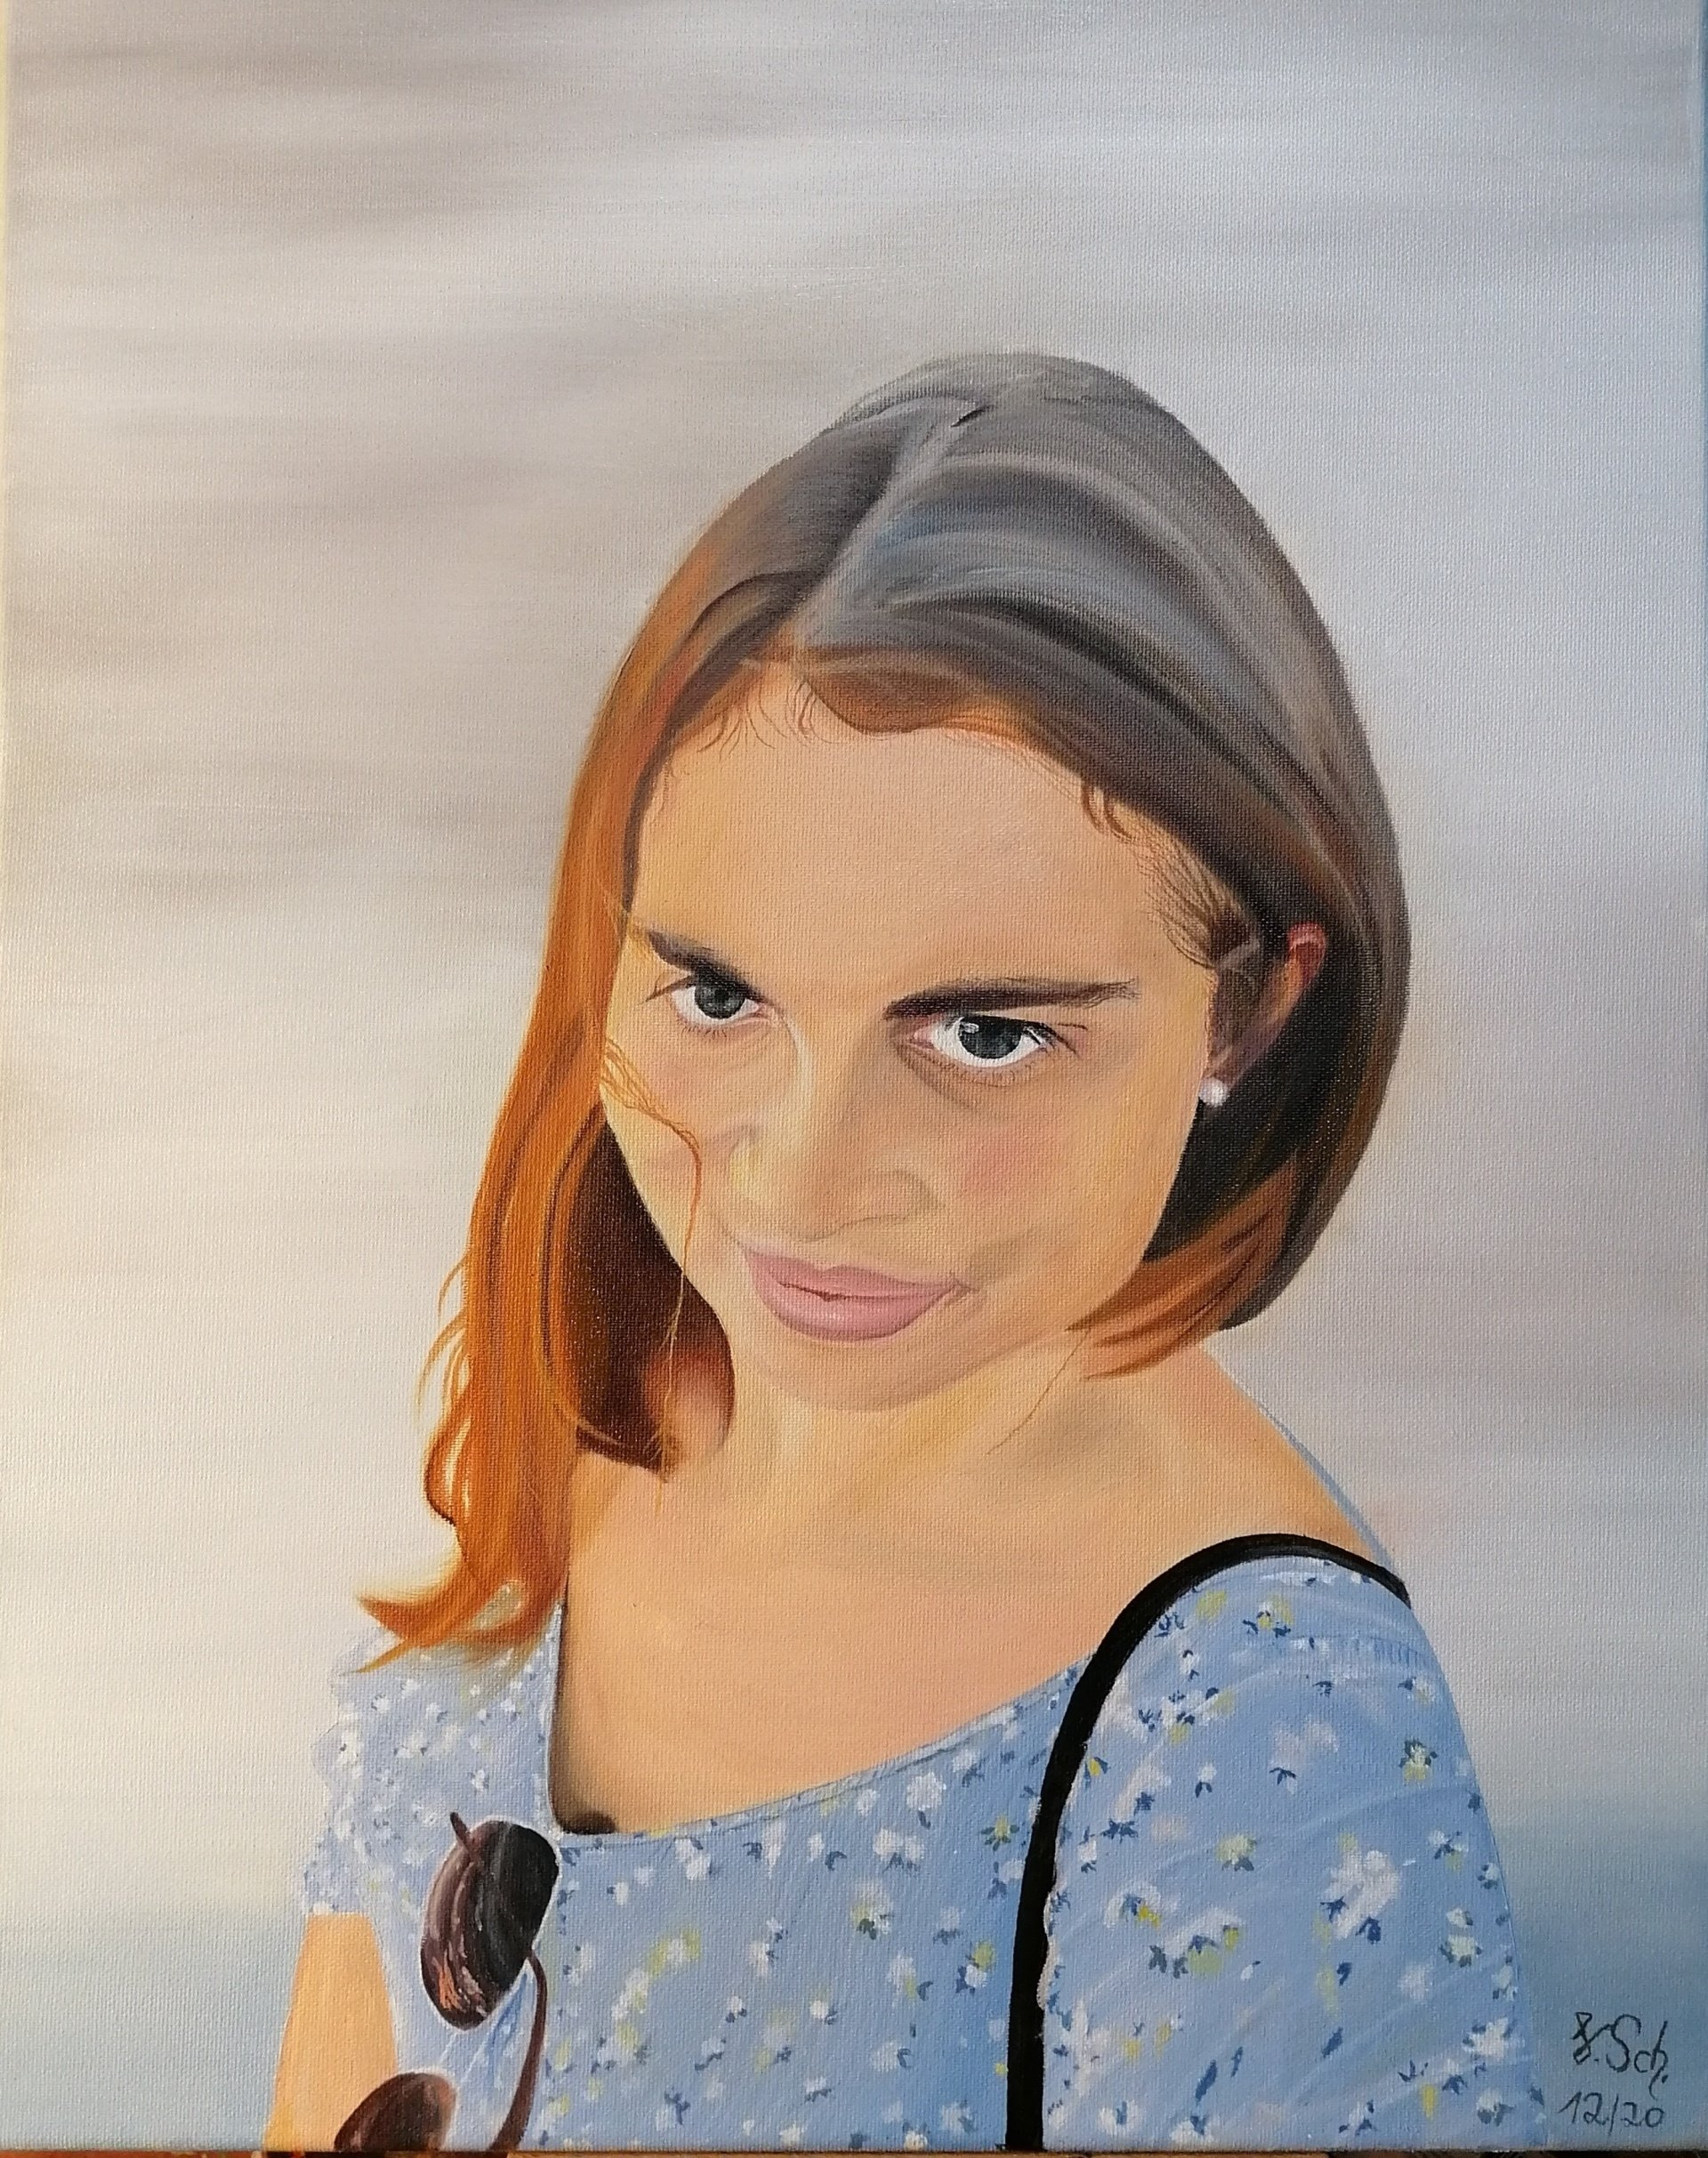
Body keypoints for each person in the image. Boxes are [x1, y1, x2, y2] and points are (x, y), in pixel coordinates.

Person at [267, 354, 1546, 2150]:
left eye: (985, 1034)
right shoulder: (572, 1449)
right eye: (718, 995)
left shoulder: (1264, 1723)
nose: (805, 1175)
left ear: (1250, 1008)